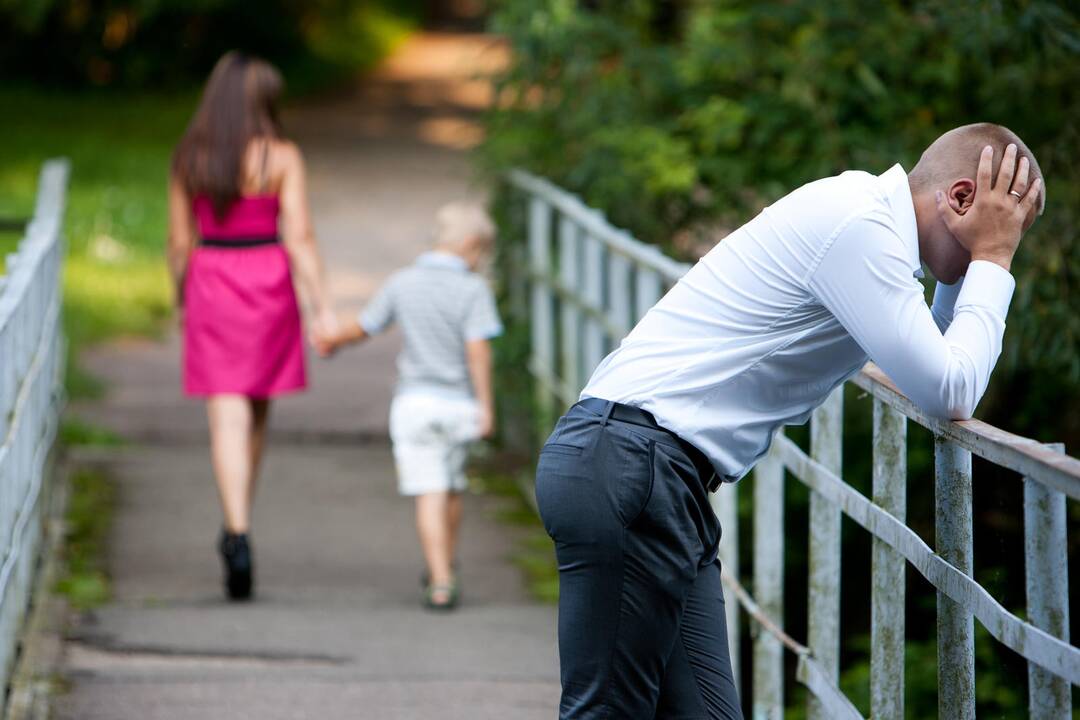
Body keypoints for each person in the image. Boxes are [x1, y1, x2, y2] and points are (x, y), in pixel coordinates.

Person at [535, 123, 1045, 719]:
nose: (1004, 246)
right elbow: (951, 388)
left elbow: (937, 357)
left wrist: (973, 263)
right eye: (1006, 228)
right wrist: (993, 257)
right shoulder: (861, 230)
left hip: (652, 478)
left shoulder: (865, 220)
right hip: (635, 470)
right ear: (961, 198)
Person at [167, 52, 336, 601]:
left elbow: (179, 242)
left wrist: (179, 296)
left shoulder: (189, 157)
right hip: (267, 280)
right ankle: (238, 523)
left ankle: (236, 531)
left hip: (212, 280)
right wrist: (323, 306)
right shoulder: (281, 156)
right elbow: (301, 236)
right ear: (265, 100)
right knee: (257, 408)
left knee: (227, 415)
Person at [314, 202, 502, 610]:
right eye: (480, 254)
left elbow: (365, 326)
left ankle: (439, 578)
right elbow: (478, 352)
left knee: (428, 491)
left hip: (414, 404)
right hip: (458, 406)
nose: (479, 263)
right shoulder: (473, 291)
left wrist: (332, 340)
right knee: (452, 488)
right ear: (469, 245)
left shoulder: (403, 282)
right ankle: (445, 565)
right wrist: (486, 406)